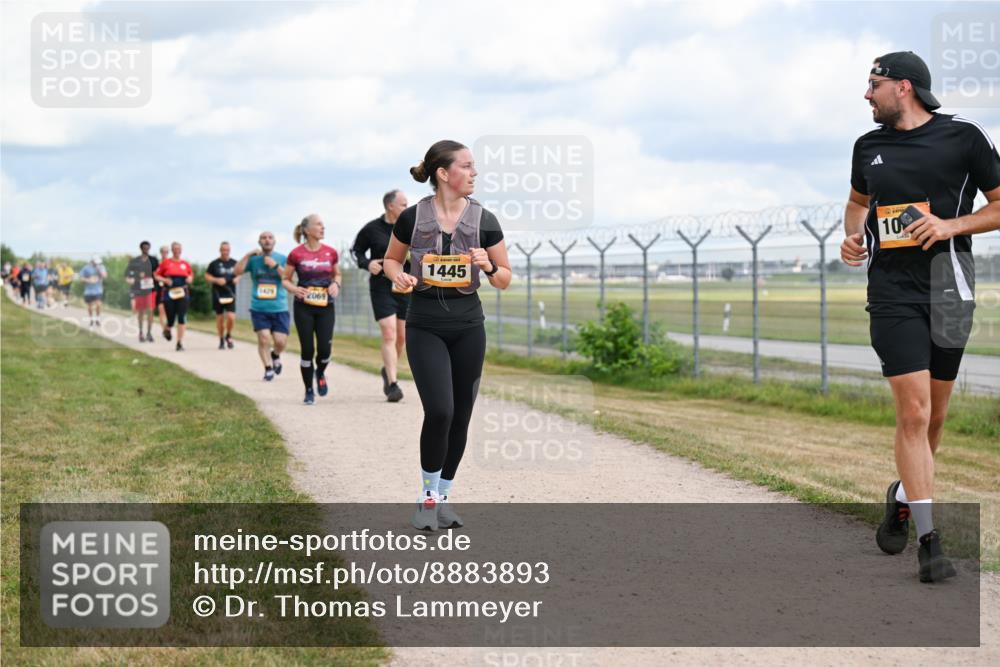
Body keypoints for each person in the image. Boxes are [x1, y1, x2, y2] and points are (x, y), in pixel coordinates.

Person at [841, 51, 1000, 583]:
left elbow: (999, 205)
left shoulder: (964, 138)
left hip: (949, 290)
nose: (867, 94)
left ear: (903, 87)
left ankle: (904, 495)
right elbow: (858, 203)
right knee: (912, 414)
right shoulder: (869, 146)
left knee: (934, 420)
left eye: (874, 84)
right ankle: (930, 542)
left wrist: (950, 227)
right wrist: (851, 235)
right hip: (892, 293)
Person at [383, 140, 511, 531]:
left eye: (474, 167)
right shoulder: (412, 218)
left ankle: (442, 500)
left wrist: (489, 265)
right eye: (467, 166)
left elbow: (504, 279)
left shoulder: (484, 220)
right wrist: (398, 275)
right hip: (424, 324)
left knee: (461, 418)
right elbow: (391, 259)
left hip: (469, 326)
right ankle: (425, 500)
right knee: (440, 411)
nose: (474, 173)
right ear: (443, 173)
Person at [352, 189, 411, 402]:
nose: (407, 208)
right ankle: (393, 384)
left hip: (405, 286)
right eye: (403, 204)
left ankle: (388, 369)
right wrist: (367, 264)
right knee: (389, 333)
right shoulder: (372, 229)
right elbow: (356, 250)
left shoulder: (411, 228)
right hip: (381, 287)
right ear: (390, 206)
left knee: (402, 338)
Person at [281, 215, 341, 405]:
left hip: (326, 306)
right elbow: (285, 279)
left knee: (324, 350)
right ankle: (308, 390)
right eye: (319, 225)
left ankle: (320, 372)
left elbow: (337, 274)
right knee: (307, 350)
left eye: (323, 224)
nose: (323, 228)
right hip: (304, 307)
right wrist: (294, 289)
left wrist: (335, 285)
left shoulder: (331, 252)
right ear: (307, 230)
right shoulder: (296, 254)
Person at [235, 231, 289, 381]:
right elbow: (236, 271)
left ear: (274, 241)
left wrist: (275, 265)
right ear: (259, 242)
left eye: (270, 237)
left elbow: (290, 278)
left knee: (280, 342)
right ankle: (268, 368)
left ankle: (275, 355)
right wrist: (248, 255)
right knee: (264, 338)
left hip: (280, 307)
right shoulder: (254, 260)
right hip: (259, 307)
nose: (267, 240)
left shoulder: (282, 258)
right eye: (263, 238)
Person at [154, 242, 194, 351]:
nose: (177, 250)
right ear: (172, 250)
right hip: (169, 293)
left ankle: (179, 342)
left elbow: (190, 274)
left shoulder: (185, 264)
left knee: (182, 316)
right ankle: (167, 328)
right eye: (175, 249)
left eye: (179, 249)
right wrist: (165, 280)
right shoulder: (166, 263)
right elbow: (156, 275)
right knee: (171, 318)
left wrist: (190, 278)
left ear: (181, 250)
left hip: (182, 292)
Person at [205, 242, 240, 350]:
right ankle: (221, 339)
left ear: (230, 250)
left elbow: (240, 273)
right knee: (220, 319)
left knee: (231, 317)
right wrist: (216, 280)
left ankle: (228, 335)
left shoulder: (235, 263)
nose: (225, 252)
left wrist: (238, 278)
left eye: (227, 250)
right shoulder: (214, 264)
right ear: (220, 250)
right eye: (223, 250)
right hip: (218, 294)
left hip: (230, 294)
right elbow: (207, 276)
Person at [125, 241, 159, 342]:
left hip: (151, 289)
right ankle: (141, 332)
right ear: (141, 248)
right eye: (144, 248)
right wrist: (130, 280)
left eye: (147, 248)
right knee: (141, 312)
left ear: (149, 248)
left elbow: (158, 272)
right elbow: (127, 275)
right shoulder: (135, 261)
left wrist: (158, 278)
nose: (146, 250)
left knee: (150, 311)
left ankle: (149, 333)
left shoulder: (154, 260)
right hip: (139, 290)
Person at [78, 257, 108, 325]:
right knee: (90, 306)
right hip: (88, 291)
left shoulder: (101, 267)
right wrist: (89, 280)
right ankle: (91, 319)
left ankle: (97, 319)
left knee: (98, 305)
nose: (97, 264)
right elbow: (81, 278)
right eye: (96, 263)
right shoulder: (85, 268)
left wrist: (99, 270)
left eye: (98, 263)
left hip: (98, 290)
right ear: (92, 261)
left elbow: (105, 276)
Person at [156, 245, 171, 340]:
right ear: (161, 252)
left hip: (170, 289)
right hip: (159, 289)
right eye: (163, 252)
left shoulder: (170, 263)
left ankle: (168, 327)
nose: (165, 253)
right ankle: (164, 329)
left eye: (166, 252)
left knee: (169, 310)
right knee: (161, 309)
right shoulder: (157, 263)